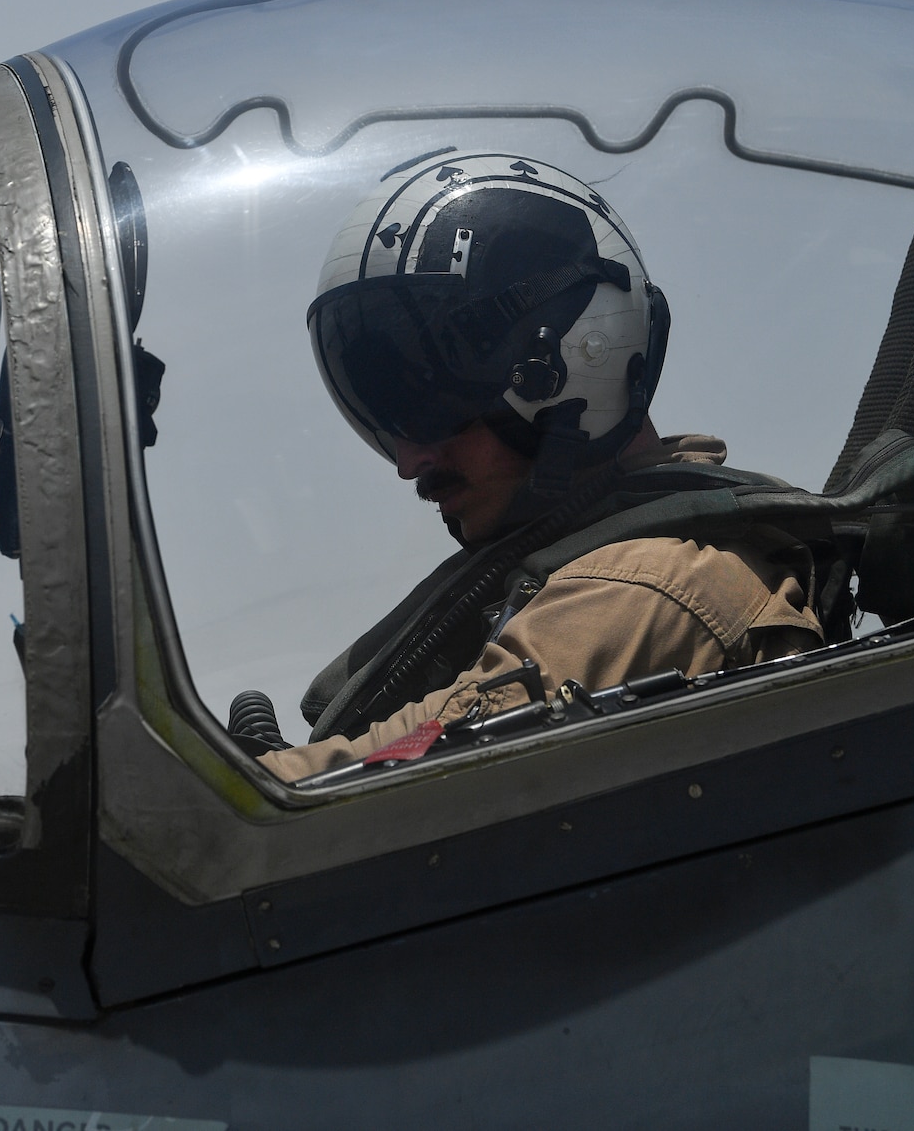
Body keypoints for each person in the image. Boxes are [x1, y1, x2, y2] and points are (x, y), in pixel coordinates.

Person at [250, 153, 826, 781]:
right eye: (387, 419)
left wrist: (234, 789)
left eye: (430, 406)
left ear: (573, 364)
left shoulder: (651, 588)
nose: (410, 461)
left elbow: (421, 762)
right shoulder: (567, 568)